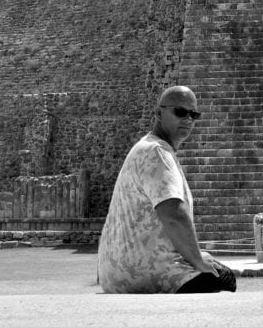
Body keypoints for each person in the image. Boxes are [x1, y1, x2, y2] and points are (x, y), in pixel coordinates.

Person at [98, 85, 236, 293]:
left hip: (118, 273)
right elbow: (173, 213)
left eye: (194, 114)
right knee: (224, 279)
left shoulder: (147, 147)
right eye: (180, 112)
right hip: (146, 272)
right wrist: (198, 261)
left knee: (214, 267)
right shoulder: (157, 152)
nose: (188, 119)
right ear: (158, 113)